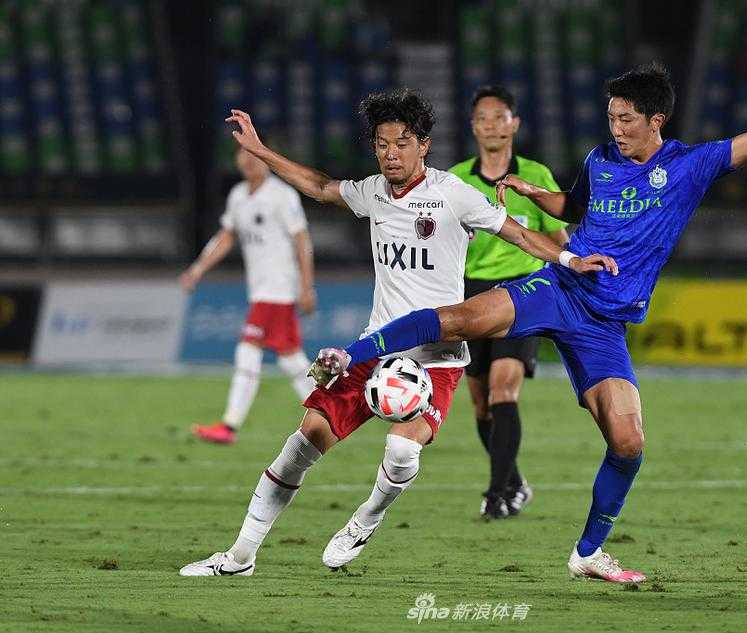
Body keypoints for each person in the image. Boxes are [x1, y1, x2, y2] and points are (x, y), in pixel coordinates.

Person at [310, 47, 747, 583]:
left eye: (626, 119)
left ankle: (588, 553)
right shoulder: (600, 160)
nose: (616, 128)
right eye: (610, 117)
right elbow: (575, 208)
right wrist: (535, 192)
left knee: (628, 443)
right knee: (458, 318)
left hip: (605, 324)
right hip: (561, 285)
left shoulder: (689, 165)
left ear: (657, 120)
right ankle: (350, 356)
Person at [179, 88, 613, 576]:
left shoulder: (452, 193)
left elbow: (518, 233)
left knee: (403, 449)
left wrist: (572, 259)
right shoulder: (372, 192)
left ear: (423, 145)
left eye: (402, 143)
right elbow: (321, 187)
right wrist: (260, 151)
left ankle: (367, 517)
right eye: (382, 144)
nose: (391, 153)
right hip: (375, 348)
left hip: (438, 357)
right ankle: (240, 556)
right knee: (301, 444)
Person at [449, 85, 568, 519]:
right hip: (470, 296)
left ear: (514, 123)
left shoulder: (535, 176)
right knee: (481, 403)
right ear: (473, 126)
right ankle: (515, 483)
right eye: (483, 118)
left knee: (504, 390)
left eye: (500, 117)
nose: (492, 125)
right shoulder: (455, 180)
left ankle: (498, 494)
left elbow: (559, 241)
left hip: (523, 296)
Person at [181, 147, 317, 445]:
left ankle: (229, 426)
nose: (248, 160)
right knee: (290, 359)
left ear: (266, 159)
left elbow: (301, 239)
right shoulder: (239, 196)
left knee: (249, 350)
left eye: (254, 155)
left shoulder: (282, 195)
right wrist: (197, 269)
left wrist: (306, 286)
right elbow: (226, 236)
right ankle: (330, 410)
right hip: (261, 291)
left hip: (279, 289)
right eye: (242, 155)